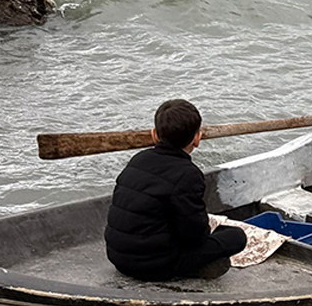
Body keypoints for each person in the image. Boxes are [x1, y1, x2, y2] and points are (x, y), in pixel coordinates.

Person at [105, 99, 247, 280]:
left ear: (154, 134)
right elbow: (195, 237)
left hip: (117, 257)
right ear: (196, 139)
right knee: (236, 237)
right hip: (153, 266)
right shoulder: (188, 175)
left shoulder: (138, 159)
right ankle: (193, 270)